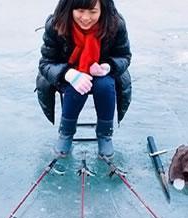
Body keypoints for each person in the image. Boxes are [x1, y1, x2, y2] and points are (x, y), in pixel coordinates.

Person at [36, 0, 132, 159]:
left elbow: (124, 56)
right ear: (69, 8)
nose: (86, 18)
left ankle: (105, 135)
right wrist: (69, 74)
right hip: (67, 74)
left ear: (103, 10)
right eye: (80, 11)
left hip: (102, 75)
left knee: (106, 84)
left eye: (93, 12)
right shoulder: (55, 25)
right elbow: (46, 63)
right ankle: (66, 133)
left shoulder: (115, 24)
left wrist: (108, 67)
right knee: (78, 85)